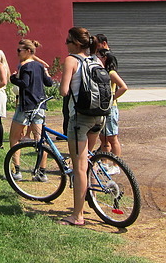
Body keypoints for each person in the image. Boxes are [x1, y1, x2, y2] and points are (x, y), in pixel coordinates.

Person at [59, 27, 104, 226]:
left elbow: (63, 90)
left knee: (79, 167)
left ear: (76, 43)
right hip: (99, 116)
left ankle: (77, 216)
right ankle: (92, 199)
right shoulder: (95, 59)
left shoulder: (71, 60)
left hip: (80, 118)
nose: (66, 44)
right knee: (88, 160)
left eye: (68, 41)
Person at [8, 39, 52, 180]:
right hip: (39, 105)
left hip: (26, 105)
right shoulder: (39, 66)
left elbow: (25, 84)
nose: (17, 53)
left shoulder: (24, 66)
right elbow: (49, 83)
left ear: (28, 51)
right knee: (40, 139)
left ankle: (17, 170)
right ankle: (42, 172)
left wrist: (13, 78)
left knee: (14, 137)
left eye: (19, 50)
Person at [94, 36, 128, 161]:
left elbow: (123, 87)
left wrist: (112, 97)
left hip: (111, 108)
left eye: (99, 57)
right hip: (102, 109)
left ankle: (116, 164)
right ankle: (105, 162)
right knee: (103, 138)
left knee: (112, 138)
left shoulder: (111, 73)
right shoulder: (101, 72)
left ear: (105, 58)